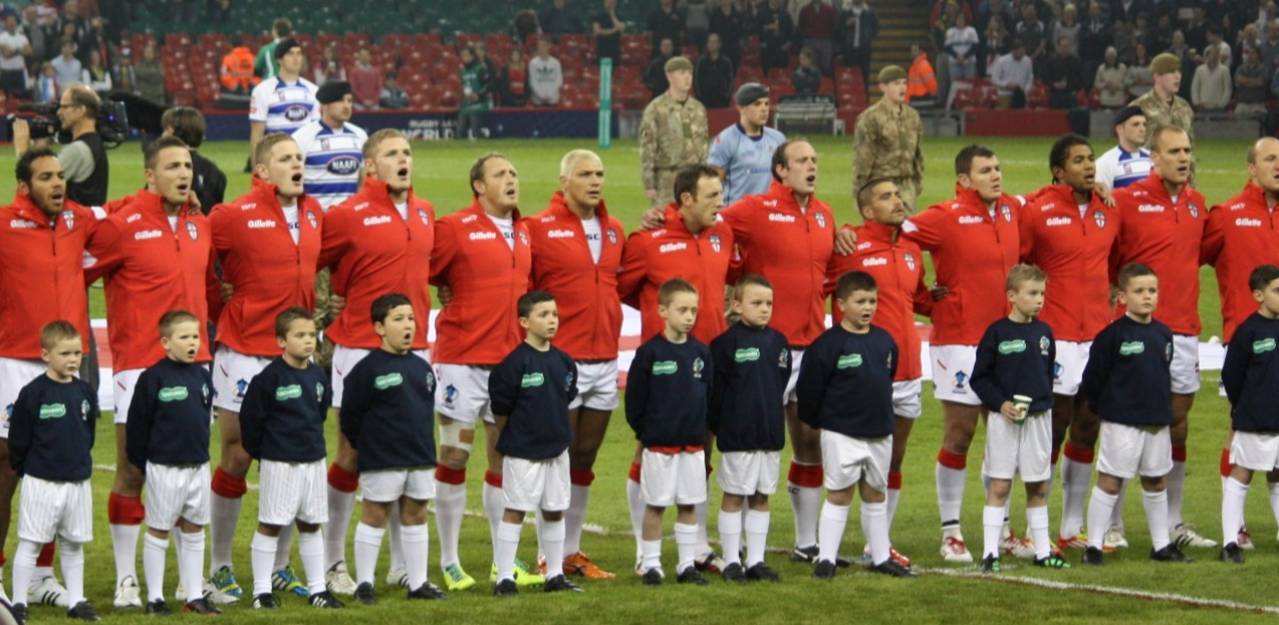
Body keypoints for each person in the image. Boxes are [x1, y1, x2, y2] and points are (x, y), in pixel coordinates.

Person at [83, 136, 221, 610]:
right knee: (132, 469)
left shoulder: (200, 224)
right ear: (149, 174)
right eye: (172, 167)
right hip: (140, 366)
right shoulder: (122, 226)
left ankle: (188, 583)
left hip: (196, 364)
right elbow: (74, 271)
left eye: (187, 167)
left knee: (189, 467)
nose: (184, 174)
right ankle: (127, 580)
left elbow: (211, 288)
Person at [205, 133, 325, 602]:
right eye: (286, 159)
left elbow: (331, 260)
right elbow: (198, 259)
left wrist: (332, 301)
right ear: (261, 170)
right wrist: (219, 302)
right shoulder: (233, 216)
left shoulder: (314, 213)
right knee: (238, 454)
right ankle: (219, 564)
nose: (297, 165)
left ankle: (279, 566)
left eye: (299, 158)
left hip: (295, 354)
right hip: (245, 349)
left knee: (292, 456)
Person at [316, 129, 434, 596]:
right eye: (391, 154)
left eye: (407, 152)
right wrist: (328, 302)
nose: (403, 159)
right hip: (361, 347)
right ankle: (333, 560)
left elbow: (435, 266)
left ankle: (402, 566)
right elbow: (308, 259)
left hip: (415, 347)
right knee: (351, 452)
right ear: (370, 165)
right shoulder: (347, 215)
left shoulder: (425, 212)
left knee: (409, 453)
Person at [902, 145, 1023, 562]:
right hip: (959, 339)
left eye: (998, 168)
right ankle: (951, 532)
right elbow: (895, 235)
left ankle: (1002, 528)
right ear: (964, 180)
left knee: (1005, 433)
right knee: (961, 433)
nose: (996, 175)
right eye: (985, 170)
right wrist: (923, 296)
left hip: (1005, 340)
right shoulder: (945, 216)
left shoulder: (1012, 210)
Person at [618, 164, 734, 572]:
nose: (720, 203)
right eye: (712, 196)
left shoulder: (723, 233)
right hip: (665, 365)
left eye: (720, 194)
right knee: (649, 448)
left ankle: (697, 545)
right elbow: (623, 288)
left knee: (702, 449)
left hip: (710, 360)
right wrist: (658, 319)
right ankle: (643, 550)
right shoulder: (647, 241)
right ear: (686, 199)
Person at [429, 153, 535, 592]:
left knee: (503, 458)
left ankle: (501, 561)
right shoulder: (455, 227)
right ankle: (449, 560)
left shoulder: (525, 231)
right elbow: (424, 268)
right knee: (454, 456)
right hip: (461, 361)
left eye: (514, 172)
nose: (511, 179)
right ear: (478, 185)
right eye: (500, 174)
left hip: (509, 364)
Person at [0, 149, 97, 607]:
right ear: (25, 186)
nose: (58, 183)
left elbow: (122, 217)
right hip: (15, 360)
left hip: (67, 362)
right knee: (6, 466)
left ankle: (41, 576)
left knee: (59, 462)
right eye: (46, 177)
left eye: (61, 176)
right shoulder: (4, 224)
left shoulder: (79, 220)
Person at [1110, 126, 1213, 550]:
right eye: (1174, 151)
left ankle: (1173, 523)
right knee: (1124, 425)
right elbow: (1107, 255)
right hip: (1136, 330)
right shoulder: (1127, 201)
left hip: (1184, 329)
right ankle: (1113, 523)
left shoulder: (1197, 204)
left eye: (1187, 150)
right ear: (1154, 157)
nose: (1184, 158)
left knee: (1177, 427)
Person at [1017, 135, 1120, 552]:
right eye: (1078, 160)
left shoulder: (1108, 210)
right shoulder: (1038, 210)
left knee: (1087, 427)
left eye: (1091, 159)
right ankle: (1034, 529)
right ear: (1059, 171)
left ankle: (1070, 528)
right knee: (1052, 427)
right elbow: (1019, 262)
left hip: (1096, 334)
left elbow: (1116, 262)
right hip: (1055, 334)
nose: (1089, 166)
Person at [526, 150, 625, 580]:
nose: (595, 181)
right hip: (561, 358)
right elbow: (522, 284)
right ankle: (545, 554)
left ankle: (571, 551)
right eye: (585, 174)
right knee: (556, 456)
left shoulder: (615, 229)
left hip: (605, 356)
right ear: (564, 181)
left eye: (599, 174)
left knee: (585, 456)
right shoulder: (538, 228)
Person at [824, 179, 926, 565]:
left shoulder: (911, 249)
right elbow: (818, 284)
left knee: (893, 460)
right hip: (867, 374)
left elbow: (916, 298)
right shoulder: (849, 247)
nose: (898, 200)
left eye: (898, 194)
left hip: (909, 370)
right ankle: (823, 543)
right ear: (867, 211)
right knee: (852, 464)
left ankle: (878, 544)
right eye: (886, 197)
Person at [798, 271, 913, 579]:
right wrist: (827, 423)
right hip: (841, 434)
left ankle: (880, 557)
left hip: (879, 432)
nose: (868, 308)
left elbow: (887, 379)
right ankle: (826, 558)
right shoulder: (826, 346)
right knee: (839, 494)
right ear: (841, 304)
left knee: (876, 493)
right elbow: (809, 393)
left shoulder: (884, 341)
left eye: (872, 301)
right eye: (860, 301)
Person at [1079, 263, 1189, 565]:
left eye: (1152, 290)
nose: (1147, 296)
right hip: (1121, 424)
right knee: (1110, 481)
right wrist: (1110, 411)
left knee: (1156, 480)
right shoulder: (1111, 336)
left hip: (1156, 422)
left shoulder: (1164, 334)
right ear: (1122, 297)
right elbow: (1092, 382)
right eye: (1139, 291)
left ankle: (1161, 545)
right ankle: (1094, 546)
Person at [339, 294, 446, 603]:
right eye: (398, 319)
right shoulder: (366, 370)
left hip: (420, 456)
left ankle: (418, 583)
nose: (407, 325)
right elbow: (350, 416)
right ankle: (365, 584)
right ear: (380, 328)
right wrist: (366, 446)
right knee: (375, 514)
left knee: (416, 514)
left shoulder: (422, 368)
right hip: (381, 458)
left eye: (410, 318)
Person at [238, 309, 342, 609]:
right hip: (280, 462)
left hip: (313, 461)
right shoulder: (268, 379)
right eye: (300, 335)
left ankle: (317, 590)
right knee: (271, 524)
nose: (308, 341)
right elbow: (251, 423)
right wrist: (268, 454)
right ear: (281, 341)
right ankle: (261, 592)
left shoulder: (318, 375)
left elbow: (320, 412)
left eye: (312, 335)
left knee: (311, 524)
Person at [970, 265, 1070, 572]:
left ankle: (1042, 552)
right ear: (1012, 296)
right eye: (1032, 294)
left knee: (1038, 486)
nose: (1039, 300)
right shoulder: (996, 333)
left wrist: (1041, 402)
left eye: (1042, 294)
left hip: (1039, 419)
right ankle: (990, 553)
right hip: (1005, 421)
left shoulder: (1044, 333)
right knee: (1000, 486)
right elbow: (979, 378)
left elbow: (1046, 373)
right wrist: (1000, 404)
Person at [487, 291, 584, 596]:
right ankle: (504, 577)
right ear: (524, 322)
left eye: (554, 314)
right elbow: (501, 410)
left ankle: (554, 574)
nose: (551, 320)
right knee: (515, 510)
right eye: (543, 315)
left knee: (555, 510)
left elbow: (565, 399)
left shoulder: (565, 362)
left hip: (557, 450)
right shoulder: (513, 365)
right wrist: (514, 438)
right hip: (523, 452)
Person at [125, 310, 220, 615]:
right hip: (165, 467)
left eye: (195, 336)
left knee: (195, 529)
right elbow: (137, 426)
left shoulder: (203, 377)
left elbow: (204, 418)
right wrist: (144, 463)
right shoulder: (153, 378)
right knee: (159, 530)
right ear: (166, 342)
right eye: (184, 337)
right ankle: (155, 599)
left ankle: (194, 595)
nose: (192, 343)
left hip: (198, 466)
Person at [7, 321, 100, 624]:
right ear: (46, 354)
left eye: (77, 353)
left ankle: (76, 600)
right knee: (31, 543)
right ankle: (19, 603)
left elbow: (88, 433)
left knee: (73, 544)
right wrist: (29, 469)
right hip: (41, 481)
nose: (73, 359)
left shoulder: (85, 392)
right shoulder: (33, 393)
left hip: (77, 481)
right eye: (65, 353)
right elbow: (19, 438)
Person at [626, 278, 713, 586]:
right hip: (659, 446)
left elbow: (709, 396)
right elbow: (634, 403)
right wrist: (650, 432)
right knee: (656, 505)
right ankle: (651, 564)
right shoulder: (649, 353)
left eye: (693, 310)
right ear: (663, 311)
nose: (689, 317)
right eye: (682, 310)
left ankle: (686, 565)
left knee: (689, 505)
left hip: (692, 446)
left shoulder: (701, 353)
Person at [708, 275, 789, 582]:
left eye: (769, 303)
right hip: (737, 435)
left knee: (761, 497)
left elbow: (780, 383)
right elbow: (716, 394)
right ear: (737, 305)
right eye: (756, 303)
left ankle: (756, 560)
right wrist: (724, 426)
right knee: (733, 496)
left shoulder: (779, 343)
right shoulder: (724, 345)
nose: (764, 309)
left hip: (769, 434)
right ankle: (731, 560)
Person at [1219, 265, 1279, 563]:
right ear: (1258, 295)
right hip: (1255, 417)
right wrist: (1246, 405)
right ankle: (1230, 541)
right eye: (1277, 291)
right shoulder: (1248, 331)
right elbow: (1231, 376)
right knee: (1242, 472)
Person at [12, 84, 109, 207]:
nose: (59, 112)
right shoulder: (95, 142)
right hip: (89, 217)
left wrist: (22, 150)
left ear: (81, 110)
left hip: (75, 219)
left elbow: (31, 191)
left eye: (64, 107)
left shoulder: (77, 150)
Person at [639, 56, 708, 207]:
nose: (687, 77)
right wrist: (649, 183)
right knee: (667, 218)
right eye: (682, 73)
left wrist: (705, 175)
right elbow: (648, 147)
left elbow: (703, 144)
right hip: (667, 179)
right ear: (669, 76)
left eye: (690, 73)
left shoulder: (698, 108)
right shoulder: (656, 109)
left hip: (694, 177)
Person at [852, 66, 924, 210]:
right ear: (883, 87)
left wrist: (917, 183)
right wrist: (860, 191)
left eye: (904, 83)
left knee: (907, 224)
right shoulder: (871, 118)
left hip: (907, 188)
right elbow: (863, 159)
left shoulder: (912, 116)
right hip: (880, 186)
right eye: (896, 83)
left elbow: (918, 154)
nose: (902, 88)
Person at [291, 81, 368, 210]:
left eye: (349, 101)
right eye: (340, 101)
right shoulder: (302, 137)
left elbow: (363, 181)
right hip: (315, 216)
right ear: (325, 105)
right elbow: (291, 181)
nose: (347, 106)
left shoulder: (360, 135)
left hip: (351, 216)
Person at [248, 38, 318, 174]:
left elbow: (315, 132)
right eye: (290, 54)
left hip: (305, 163)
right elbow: (257, 133)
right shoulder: (262, 90)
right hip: (275, 162)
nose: (296, 58)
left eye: (299, 54)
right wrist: (256, 171)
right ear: (279, 60)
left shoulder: (313, 91)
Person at [708, 83, 785, 204]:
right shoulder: (726, 140)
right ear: (741, 108)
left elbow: (786, 178)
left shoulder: (778, 139)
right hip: (737, 213)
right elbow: (712, 184)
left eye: (766, 104)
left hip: (770, 211)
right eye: (757, 104)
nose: (764, 109)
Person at [161, 107, 226, 213]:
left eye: (166, 130)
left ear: (173, 133)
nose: (162, 135)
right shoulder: (217, 173)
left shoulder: (165, 169)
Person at [1131, 53, 1194, 143]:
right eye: (1172, 72)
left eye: (1179, 72)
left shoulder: (1184, 106)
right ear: (1157, 77)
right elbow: (1130, 145)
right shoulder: (1138, 107)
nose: (1178, 76)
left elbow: (1190, 143)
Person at [1094, 106, 1150, 190]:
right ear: (1119, 129)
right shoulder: (1105, 163)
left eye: (1144, 125)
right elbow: (1102, 195)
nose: (1142, 129)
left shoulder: (1154, 158)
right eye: (1136, 124)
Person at [458, 47, 491, 140]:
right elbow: (463, 85)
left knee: (475, 131)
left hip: (480, 103)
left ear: (472, 56)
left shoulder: (480, 68)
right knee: (460, 132)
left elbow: (488, 85)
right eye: (463, 56)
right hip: (467, 104)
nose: (464, 58)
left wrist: (478, 95)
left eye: (467, 55)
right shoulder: (462, 70)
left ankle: (483, 141)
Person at [694, 32, 734, 108]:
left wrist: (727, 97)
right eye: (709, 42)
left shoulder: (726, 62)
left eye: (714, 42)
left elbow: (730, 81)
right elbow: (696, 82)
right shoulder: (701, 62)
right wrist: (699, 98)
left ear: (719, 45)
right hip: (705, 101)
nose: (711, 44)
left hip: (721, 101)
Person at [990, 41, 1033, 108]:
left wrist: (1027, 89)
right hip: (1005, 94)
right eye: (1020, 53)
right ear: (1013, 51)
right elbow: (994, 79)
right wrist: (1006, 84)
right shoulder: (1001, 61)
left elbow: (1030, 77)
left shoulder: (1027, 61)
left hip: (1022, 95)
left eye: (1024, 53)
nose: (1022, 55)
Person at [796, 0, 835, 75]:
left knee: (826, 66)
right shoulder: (805, 9)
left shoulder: (829, 9)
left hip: (825, 41)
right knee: (812, 66)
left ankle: (826, 81)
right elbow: (801, 26)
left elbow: (833, 25)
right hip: (810, 41)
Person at [0, 14, 33, 98]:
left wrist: (13, 50)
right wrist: (20, 50)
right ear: (5, 23)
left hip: (19, 72)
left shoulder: (22, 37)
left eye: (13, 21)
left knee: (21, 97)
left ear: (16, 23)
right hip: (7, 73)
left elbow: (29, 51)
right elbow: (6, 54)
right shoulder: (2, 37)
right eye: (9, 21)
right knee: (8, 98)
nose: (12, 23)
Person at [756, 0, 793, 74]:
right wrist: (767, 27)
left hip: (781, 51)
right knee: (767, 75)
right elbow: (755, 29)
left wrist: (787, 45)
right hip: (767, 51)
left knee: (781, 75)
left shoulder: (785, 14)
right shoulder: (761, 13)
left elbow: (791, 32)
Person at [1190, 46, 1231, 112]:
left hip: (1218, 107)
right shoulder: (1199, 70)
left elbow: (1227, 89)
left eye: (1216, 54)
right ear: (1207, 56)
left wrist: (1221, 104)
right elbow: (1195, 87)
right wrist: (1197, 102)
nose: (1213, 57)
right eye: (1211, 54)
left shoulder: (1224, 70)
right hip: (1202, 106)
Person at [1234, 46, 1269, 118]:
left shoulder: (1263, 68)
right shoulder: (1241, 68)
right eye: (1248, 53)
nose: (1250, 55)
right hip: (1242, 104)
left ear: (1258, 55)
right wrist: (1254, 80)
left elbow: (1260, 82)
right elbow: (1238, 79)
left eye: (1253, 53)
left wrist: (1245, 81)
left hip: (1257, 104)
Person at [944, 12, 979, 82]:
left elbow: (975, 46)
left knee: (969, 84)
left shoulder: (971, 30)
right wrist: (957, 56)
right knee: (955, 83)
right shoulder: (950, 31)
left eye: (962, 19)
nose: (960, 21)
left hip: (969, 62)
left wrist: (965, 57)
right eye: (958, 19)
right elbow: (947, 47)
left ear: (965, 20)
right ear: (955, 20)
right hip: (954, 62)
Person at [529, 38, 563, 107]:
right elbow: (532, 81)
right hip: (538, 100)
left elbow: (559, 81)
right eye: (539, 46)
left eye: (543, 46)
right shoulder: (533, 63)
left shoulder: (556, 63)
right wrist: (541, 95)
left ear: (548, 47)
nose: (541, 48)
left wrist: (550, 94)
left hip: (553, 99)